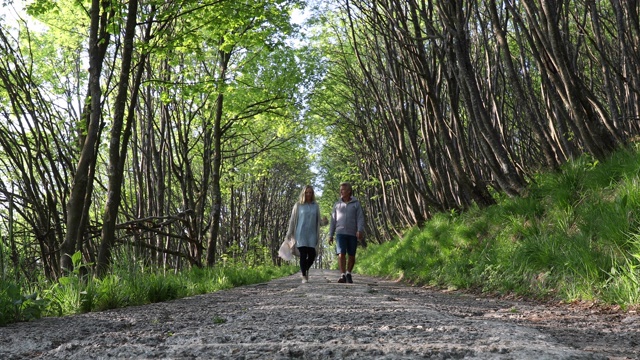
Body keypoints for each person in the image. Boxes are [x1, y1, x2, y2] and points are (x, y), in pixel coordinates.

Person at [328, 182, 365, 283]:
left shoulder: (356, 204)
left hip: (352, 233)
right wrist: (330, 235)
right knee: (341, 253)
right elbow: (333, 221)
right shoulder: (337, 204)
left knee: (352, 255)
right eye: (340, 190)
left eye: (343, 190)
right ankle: (342, 275)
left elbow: (360, 218)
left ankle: (349, 273)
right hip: (340, 233)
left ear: (349, 191)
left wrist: (359, 230)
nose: (341, 191)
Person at [286, 185, 321, 283]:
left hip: (312, 234)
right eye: (307, 192)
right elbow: (293, 220)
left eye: (310, 192)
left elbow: (319, 221)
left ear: (313, 194)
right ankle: (304, 276)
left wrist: (325, 222)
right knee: (303, 254)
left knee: (312, 255)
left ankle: (305, 269)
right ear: (303, 193)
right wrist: (289, 232)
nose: (308, 194)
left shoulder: (315, 206)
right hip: (300, 233)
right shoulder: (298, 205)